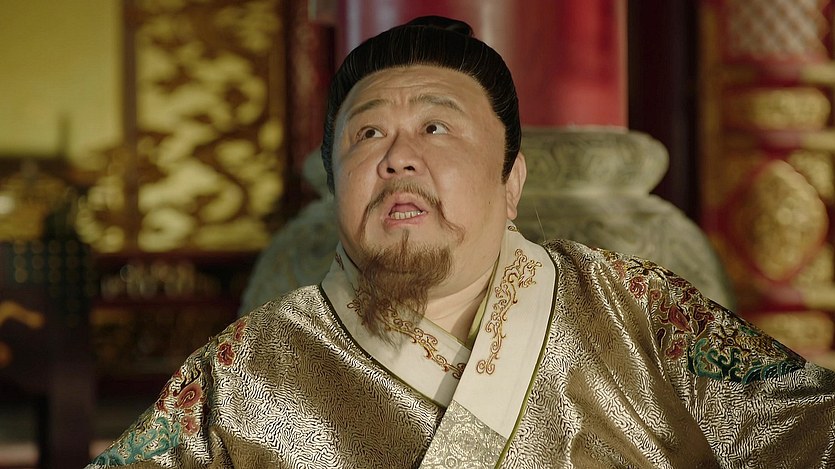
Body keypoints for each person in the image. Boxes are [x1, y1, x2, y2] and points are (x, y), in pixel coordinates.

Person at [88, 16, 835, 468]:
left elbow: (809, 432)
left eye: (436, 126)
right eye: (367, 134)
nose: (397, 157)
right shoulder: (246, 369)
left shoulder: (633, 309)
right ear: (333, 182)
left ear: (512, 180)